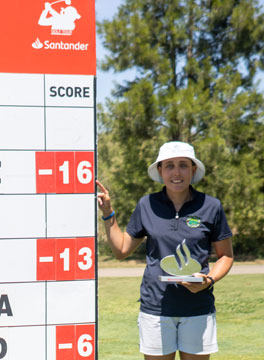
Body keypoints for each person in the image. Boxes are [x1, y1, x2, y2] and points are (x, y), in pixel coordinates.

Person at [96, 141, 233, 360]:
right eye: (169, 166)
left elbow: (226, 256)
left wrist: (208, 280)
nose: (176, 172)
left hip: (198, 309)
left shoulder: (211, 206)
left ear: (193, 169)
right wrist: (108, 213)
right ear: (160, 171)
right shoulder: (146, 205)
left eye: (183, 165)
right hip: (155, 309)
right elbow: (122, 250)